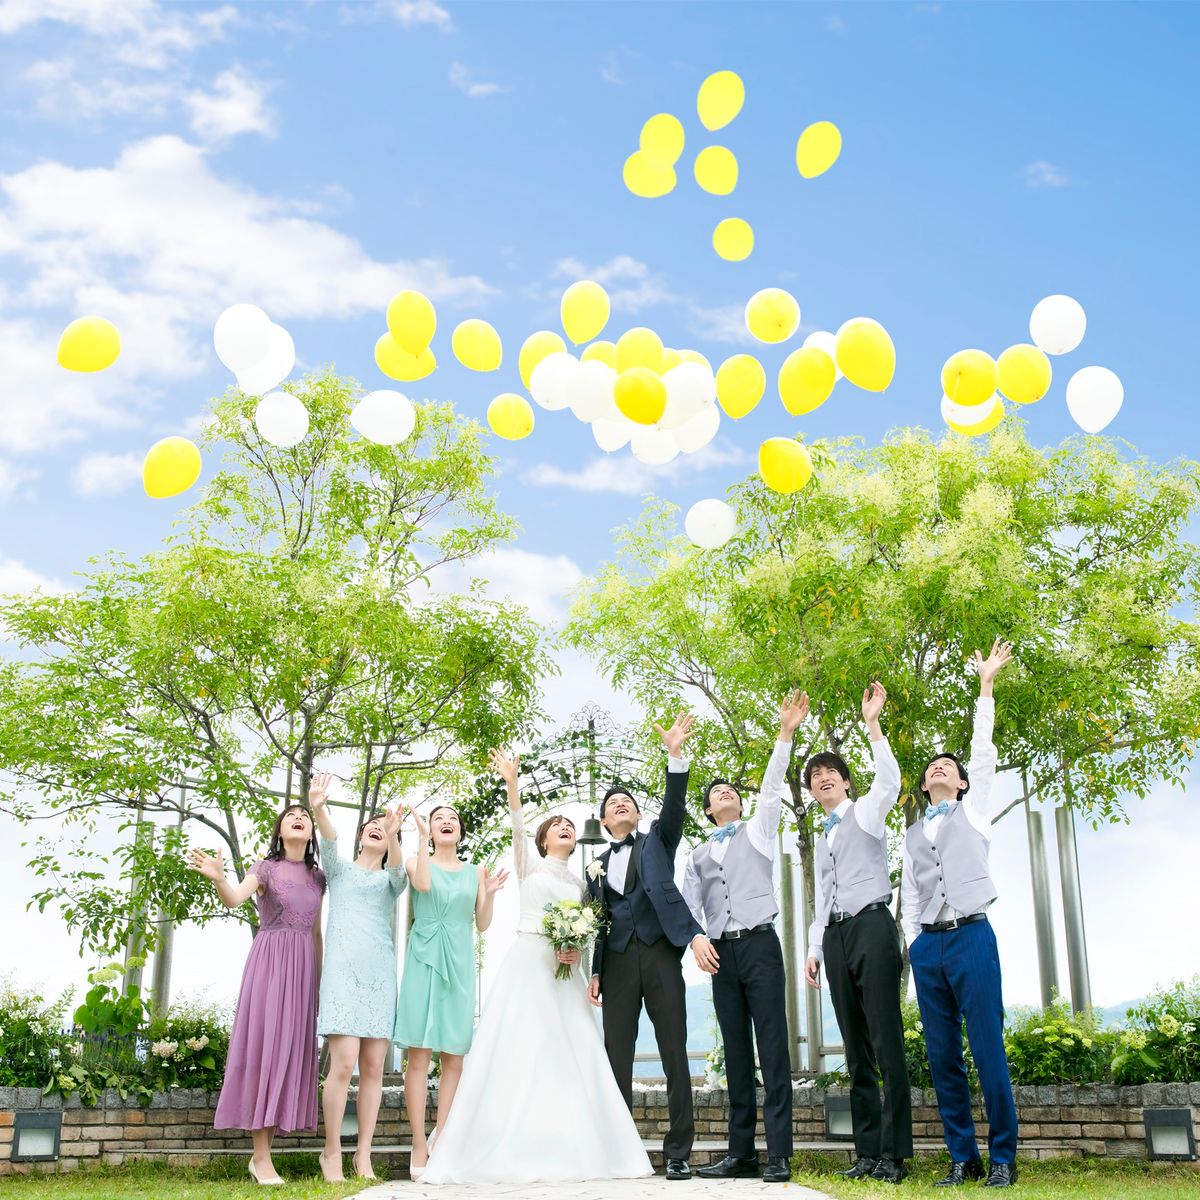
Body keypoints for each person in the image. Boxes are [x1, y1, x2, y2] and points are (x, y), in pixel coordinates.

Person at [422, 749, 653, 1184]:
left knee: (572, 1056)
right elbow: (516, 824)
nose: (565, 828)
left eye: (570, 826)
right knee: (524, 1051)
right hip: (528, 966)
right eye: (556, 826)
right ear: (544, 840)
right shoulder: (528, 867)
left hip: (565, 975)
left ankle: (574, 1145)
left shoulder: (584, 882)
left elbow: (592, 927)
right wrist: (513, 783)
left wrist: (576, 951)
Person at [901, 639, 1018, 1189]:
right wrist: (914, 942)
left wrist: (986, 686)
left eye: (949, 765)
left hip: (972, 935)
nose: (940, 767)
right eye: (933, 767)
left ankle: (1003, 1158)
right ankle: (962, 1158)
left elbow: (983, 749)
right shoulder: (911, 833)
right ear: (925, 785)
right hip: (930, 945)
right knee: (943, 1054)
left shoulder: (975, 812)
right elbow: (909, 895)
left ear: (963, 782)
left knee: (988, 1047)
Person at [685, 689, 809, 1185]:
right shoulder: (697, 854)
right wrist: (696, 939)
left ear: (740, 803)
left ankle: (778, 1153)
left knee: (772, 1047)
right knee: (735, 1051)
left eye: (731, 791)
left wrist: (785, 734)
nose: (725, 794)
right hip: (721, 953)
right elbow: (689, 904)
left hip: (760, 943)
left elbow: (773, 785)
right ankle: (740, 1153)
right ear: (707, 810)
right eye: (716, 793)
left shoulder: (758, 831)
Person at [587, 712, 704, 1181]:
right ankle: (621, 1150)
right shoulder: (595, 865)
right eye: (612, 803)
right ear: (603, 820)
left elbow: (674, 808)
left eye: (627, 802)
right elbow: (596, 922)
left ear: (637, 815)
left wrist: (675, 756)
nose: (620, 805)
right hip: (616, 963)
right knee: (617, 1056)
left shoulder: (658, 840)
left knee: (674, 1049)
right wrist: (596, 971)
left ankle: (678, 1152)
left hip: (659, 953)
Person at [803, 682, 909, 1184]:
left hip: (871, 925)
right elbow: (822, 896)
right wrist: (813, 947)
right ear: (811, 792)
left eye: (830, 773)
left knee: (886, 1040)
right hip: (836, 936)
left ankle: (894, 1154)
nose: (823, 779)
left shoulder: (866, 812)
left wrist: (873, 725)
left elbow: (890, 781)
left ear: (846, 782)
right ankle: (866, 1153)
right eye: (815, 777)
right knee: (855, 1048)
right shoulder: (821, 834)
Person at [187, 805, 325, 1187]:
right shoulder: (264, 868)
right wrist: (219, 879)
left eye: (305, 815)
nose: (298, 818)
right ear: (279, 830)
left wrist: (319, 983)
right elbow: (234, 898)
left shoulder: (318, 876)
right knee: (266, 1052)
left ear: (311, 831)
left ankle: (265, 1154)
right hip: (270, 965)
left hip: (303, 971)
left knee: (287, 1056)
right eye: (290, 815)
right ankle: (261, 1158)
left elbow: (316, 933)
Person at [394, 800, 508, 1180]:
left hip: (459, 960)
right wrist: (420, 839)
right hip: (424, 959)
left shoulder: (475, 871)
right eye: (438, 819)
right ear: (430, 829)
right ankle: (418, 1142)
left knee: (454, 1056)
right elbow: (423, 885)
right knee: (418, 1054)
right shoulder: (416, 861)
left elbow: (483, 923)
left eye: (452, 819)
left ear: (460, 831)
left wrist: (489, 892)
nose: (446, 822)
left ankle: (443, 1137)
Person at [308, 771, 406, 1182]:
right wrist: (318, 807)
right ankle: (331, 1152)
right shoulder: (339, 870)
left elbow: (400, 872)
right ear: (361, 836)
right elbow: (328, 839)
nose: (376, 829)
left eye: (383, 828)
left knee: (373, 1069)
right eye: (371, 826)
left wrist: (395, 834)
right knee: (343, 1063)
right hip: (342, 977)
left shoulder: (390, 880)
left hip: (379, 976)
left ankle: (363, 1154)